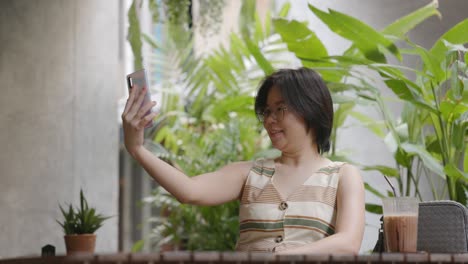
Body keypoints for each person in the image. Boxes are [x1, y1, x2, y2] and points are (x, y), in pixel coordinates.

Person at [122, 67, 365, 254]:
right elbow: (189, 191)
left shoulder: (342, 176)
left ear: (311, 110)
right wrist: (137, 148)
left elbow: (348, 243)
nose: (269, 120)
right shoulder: (249, 174)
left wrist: (286, 257)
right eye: (266, 111)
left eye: (280, 109)